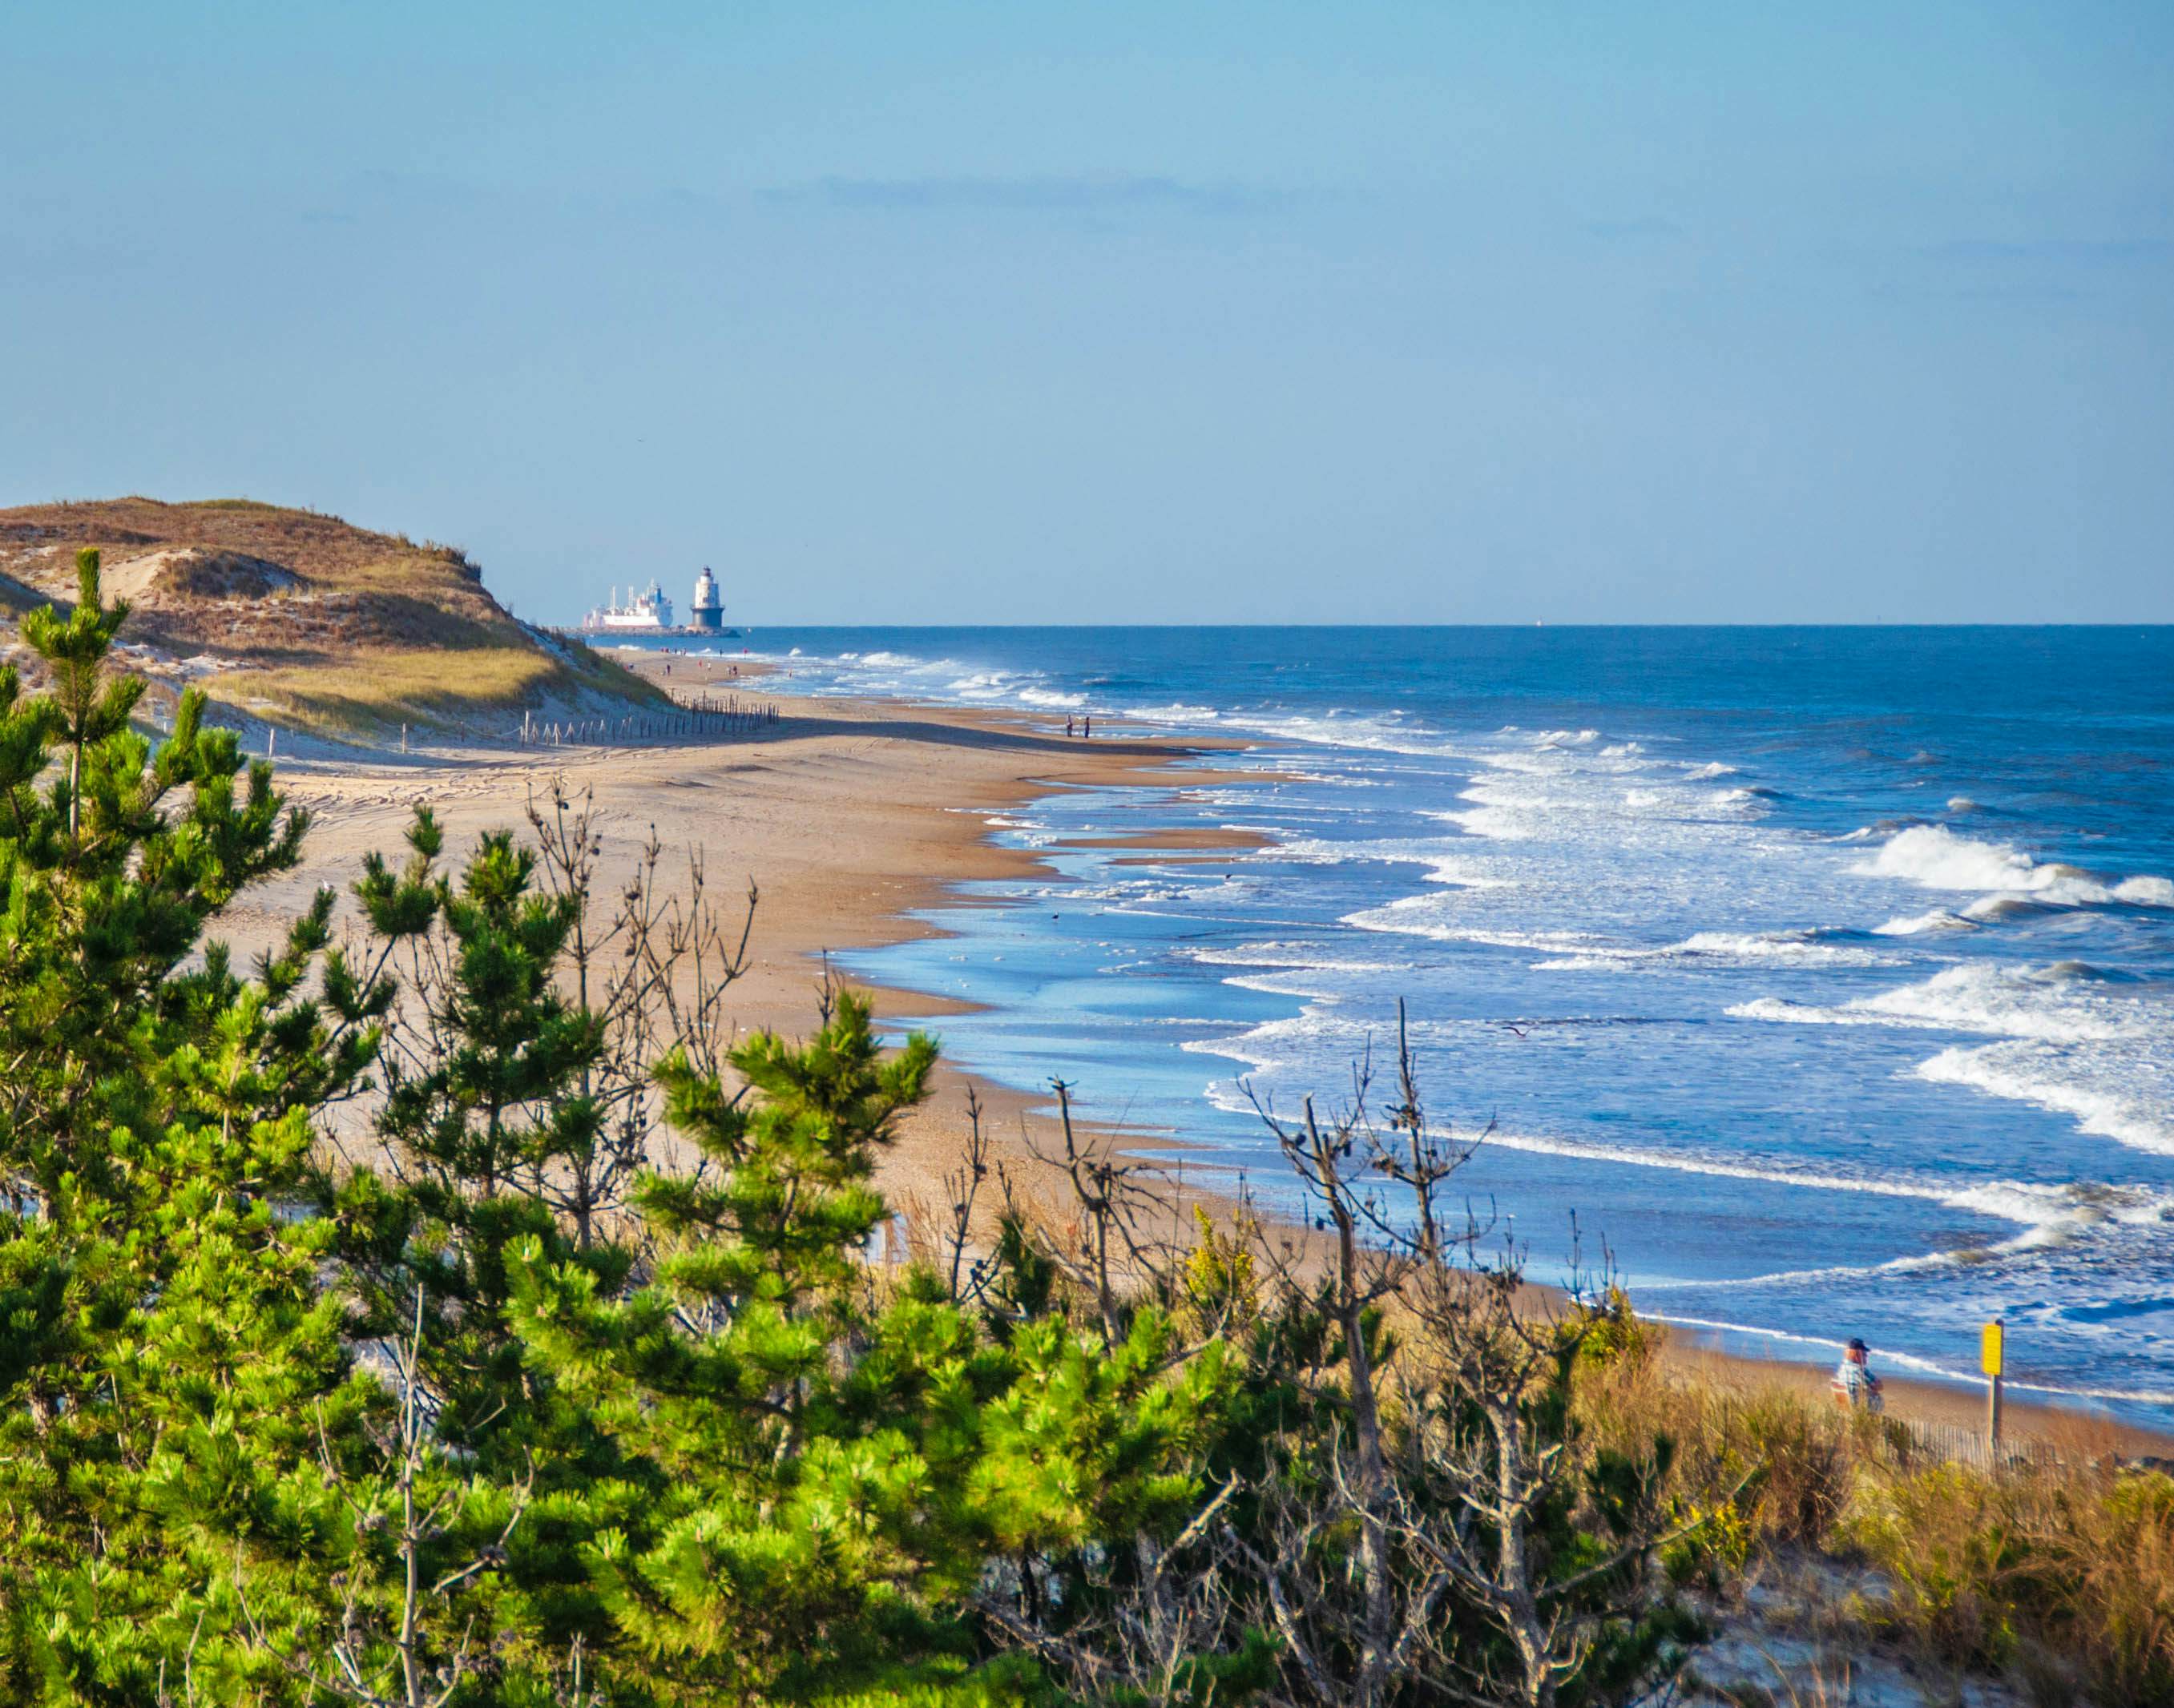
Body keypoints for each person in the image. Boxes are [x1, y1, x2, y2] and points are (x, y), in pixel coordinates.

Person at [1832, 1337, 1884, 1412]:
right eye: (1864, 1354)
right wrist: (1873, 1387)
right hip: (1859, 1407)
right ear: (1857, 1355)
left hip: (1846, 1405)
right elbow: (1879, 1386)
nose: (1866, 1356)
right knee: (1877, 1397)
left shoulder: (1842, 1368)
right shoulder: (1860, 1370)